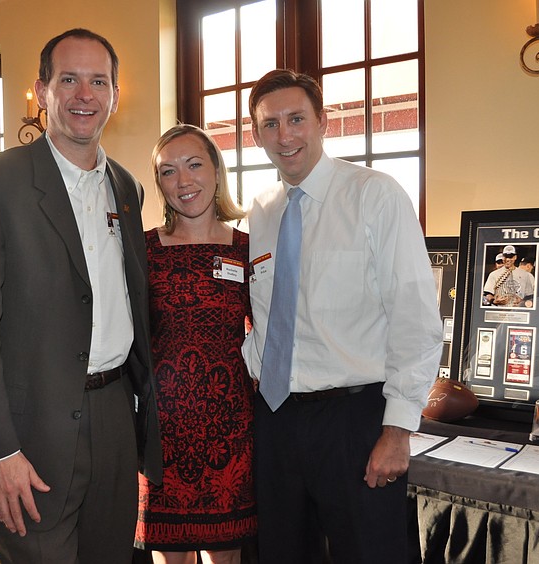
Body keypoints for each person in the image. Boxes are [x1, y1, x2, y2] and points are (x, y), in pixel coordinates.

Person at [0, 28, 162, 564]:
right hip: (27, 432)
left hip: (114, 419)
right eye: (69, 80)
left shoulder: (126, 188)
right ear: (41, 91)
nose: (85, 94)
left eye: (98, 81)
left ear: (115, 95)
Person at [242, 69, 442, 563]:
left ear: (323, 121)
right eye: (271, 124)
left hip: (354, 421)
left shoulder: (376, 196)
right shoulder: (261, 212)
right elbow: (265, 318)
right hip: (276, 418)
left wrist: (398, 429)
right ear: (255, 134)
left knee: (371, 553)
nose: (284, 136)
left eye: (296, 119)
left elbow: (415, 320)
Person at [135, 125, 256, 564]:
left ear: (217, 172)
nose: (183, 182)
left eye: (193, 165)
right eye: (168, 171)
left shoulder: (248, 248)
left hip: (230, 425)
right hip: (163, 428)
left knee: (226, 554)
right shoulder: (143, 250)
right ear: (159, 184)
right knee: (170, 556)